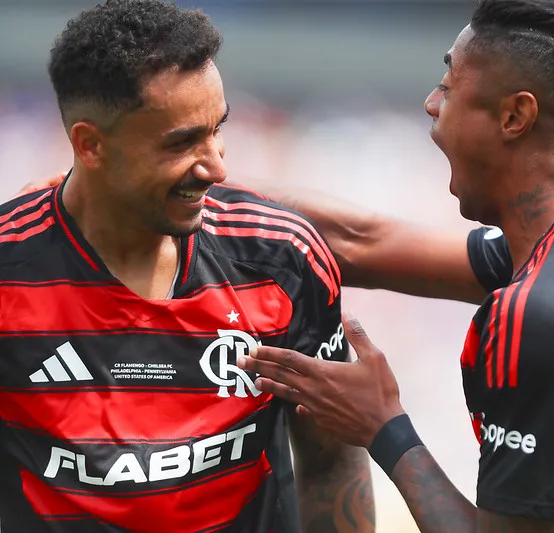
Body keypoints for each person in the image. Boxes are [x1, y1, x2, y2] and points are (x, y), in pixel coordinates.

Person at [234, 1, 554, 532]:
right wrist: (203, 186)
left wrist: (384, 426)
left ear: (515, 116)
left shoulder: (544, 313)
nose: (429, 104)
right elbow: (363, 242)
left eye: (448, 86)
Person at [0, 1, 373, 532]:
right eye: (181, 142)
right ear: (90, 145)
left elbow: (331, 456)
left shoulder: (284, 261)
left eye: (216, 128)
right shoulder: (9, 270)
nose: (217, 165)